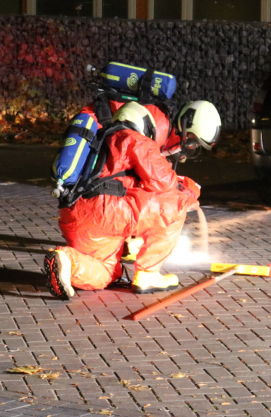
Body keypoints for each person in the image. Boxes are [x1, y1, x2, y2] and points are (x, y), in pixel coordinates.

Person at [45, 100, 221, 298]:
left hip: (76, 214)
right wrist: (188, 189)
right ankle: (148, 274)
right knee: (175, 204)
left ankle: (66, 261)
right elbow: (164, 184)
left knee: (107, 271)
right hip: (107, 212)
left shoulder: (102, 138)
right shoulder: (135, 139)